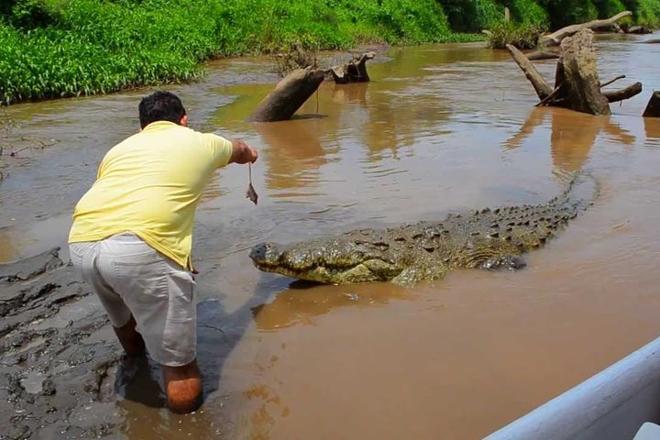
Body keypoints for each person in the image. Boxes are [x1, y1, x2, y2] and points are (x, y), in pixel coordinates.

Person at [68, 91, 258, 413]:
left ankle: (136, 365)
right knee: (180, 366)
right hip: (139, 246)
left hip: (82, 242)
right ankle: (186, 428)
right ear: (184, 120)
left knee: (122, 316)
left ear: (142, 126)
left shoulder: (116, 151)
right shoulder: (198, 140)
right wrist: (251, 153)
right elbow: (238, 149)